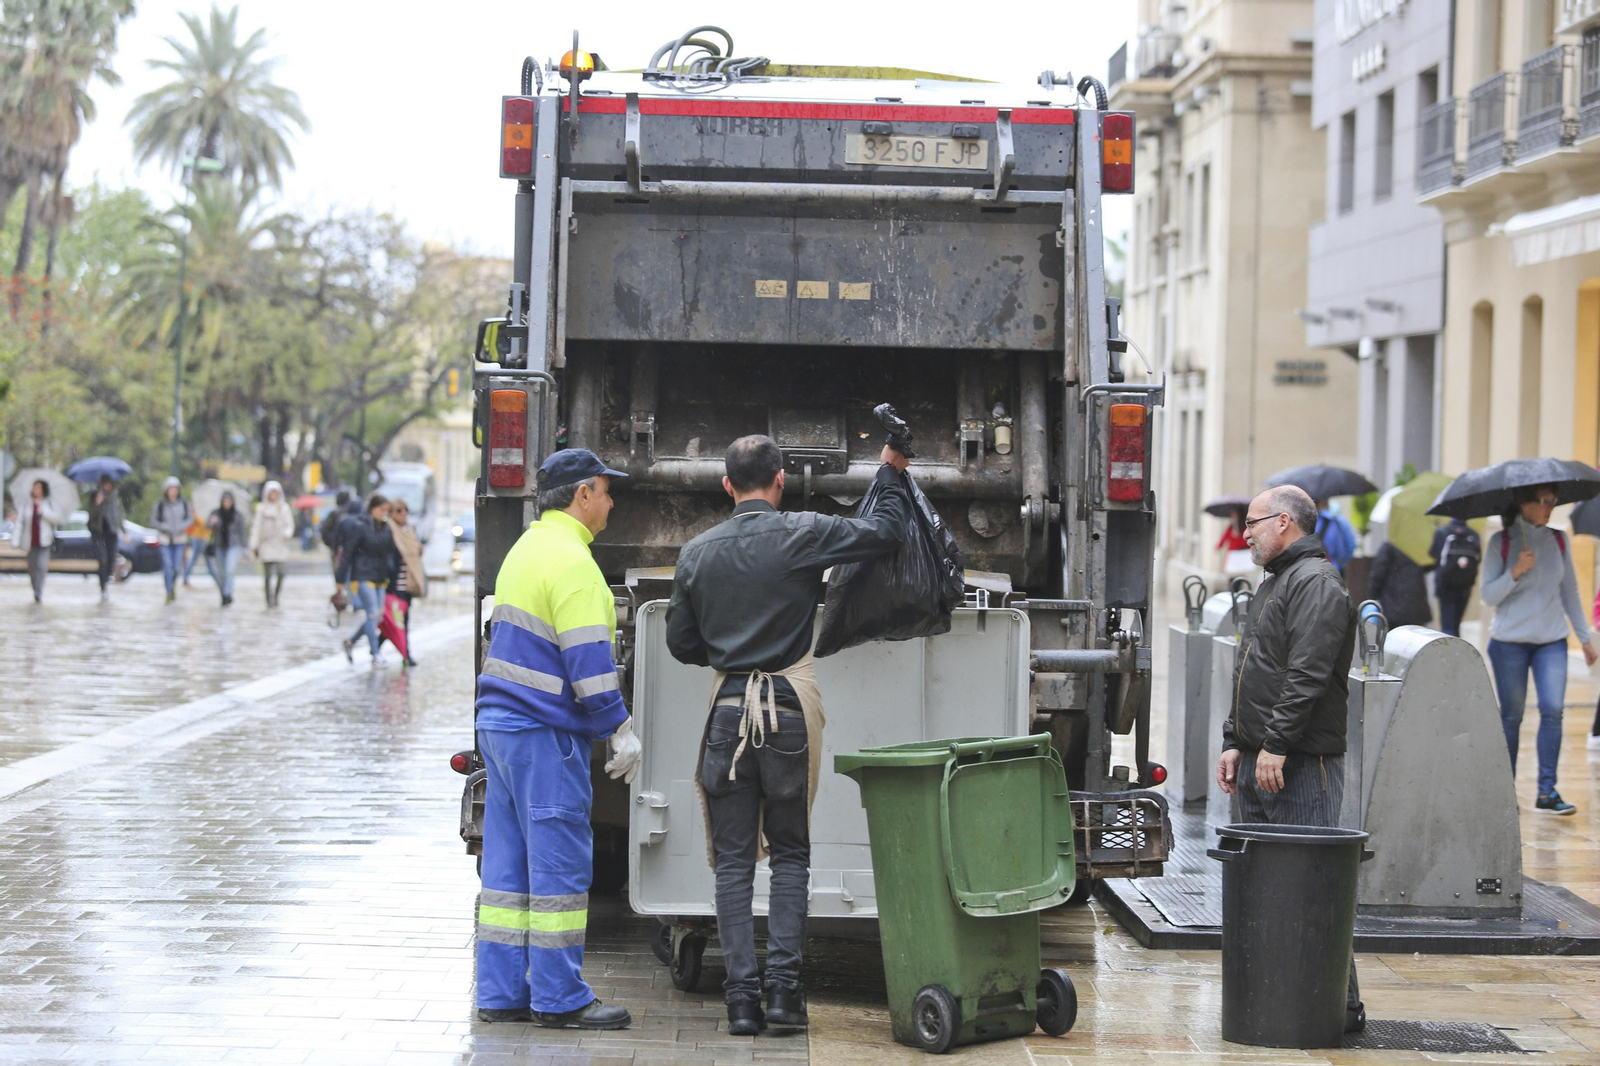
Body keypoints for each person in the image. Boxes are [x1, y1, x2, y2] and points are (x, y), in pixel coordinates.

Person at [665, 435, 912, 1036]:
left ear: (727, 486)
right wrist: (891, 473)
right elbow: (883, 532)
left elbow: (680, 644)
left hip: (728, 716)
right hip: (789, 713)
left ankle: (741, 1003)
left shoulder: (697, 553)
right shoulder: (802, 532)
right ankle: (783, 999)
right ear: (780, 480)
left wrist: (729, 650)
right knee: (792, 855)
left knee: (731, 866)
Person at [472, 449, 639, 1030]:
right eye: (606, 490)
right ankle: (559, 999)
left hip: (499, 727)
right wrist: (621, 729)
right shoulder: (574, 563)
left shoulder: (527, 549)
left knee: (507, 871)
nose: (611, 501)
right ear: (583, 494)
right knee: (558, 873)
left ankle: (498, 992)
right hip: (543, 734)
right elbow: (590, 666)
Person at [1216, 484, 1364, 1033]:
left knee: (1312, 889)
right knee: (1260, 888)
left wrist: (1275, 744)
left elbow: (1308, 675)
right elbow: (1250, 670)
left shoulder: (1317, 585)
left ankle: (1337, 1007)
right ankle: (1270, 998)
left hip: (1300, 764)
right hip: (1261, 759)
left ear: (1284, 523)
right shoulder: (1277, 581)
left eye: (1252, 522)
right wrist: (1236, 740)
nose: (1245, 532)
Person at [1480, 484, 1597, 815]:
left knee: (1552, 710)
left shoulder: (1558, 540)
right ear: (1523, 503)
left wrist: (1584, 638)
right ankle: (1506, 792)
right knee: (1512, 717)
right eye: (1544, 502)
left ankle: (1547, 792)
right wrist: (1515, 572)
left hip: (1552, 641)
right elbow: (1488, 596)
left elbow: (1570, 591)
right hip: (1509, 643)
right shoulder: (1501, 542)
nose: (1549, 508)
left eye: (1553, 502)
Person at [337, 494, 395, 664]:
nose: (385, 513)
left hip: (380, 577)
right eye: (382, 510)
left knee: (378, 617)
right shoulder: (360, 526)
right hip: (362, 575)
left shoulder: (386, 528)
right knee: (372, 614)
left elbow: (390, 552)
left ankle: (350, 642)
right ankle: (375, 653)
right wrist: (340, 578)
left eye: (387, 510)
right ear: (373, 509)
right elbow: (348, 552)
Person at [380, 497, 427, 666]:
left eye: (405, 510)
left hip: (408, 583)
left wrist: (418, 550)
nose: (403, 514)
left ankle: (376, 649)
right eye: (399, 511)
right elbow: (391, 554)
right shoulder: (389, 530)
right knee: (397, 621)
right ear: (392, 514)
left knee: (397, 621)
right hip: (394, 584)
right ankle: (406, 655)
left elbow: (413, 552)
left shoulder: (410, 530)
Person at [12, 479, 68, 603]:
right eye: (34, 487)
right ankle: (35, 587)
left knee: (41, 566)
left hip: (45, 541)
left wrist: (44, 513)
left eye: (38, 487)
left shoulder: (49, 503)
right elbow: (20, 523)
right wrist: (15, 540)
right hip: (30, 540)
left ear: (43, 489)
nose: (35, 490)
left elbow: (58, 519)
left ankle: (39, 591)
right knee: (32, 567)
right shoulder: (26, 504)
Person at [1429, 516, 1481, 637]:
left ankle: (1447, 654)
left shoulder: (1442, 532)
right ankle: (1457, 652)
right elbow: (1478, 559)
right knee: (1457, 625)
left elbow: (1434, 555)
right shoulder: (1474, 535)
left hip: (1445, 585)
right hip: (1465, 585)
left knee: (1447, 626)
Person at [1365, 539, 1431, 629]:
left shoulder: (1389, 545)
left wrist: (1372, 596)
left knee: (1394, 638)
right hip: (1416, 602)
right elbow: (1430, 565)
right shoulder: (1417, 546)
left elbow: (1378, 573)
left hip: (1393, 603)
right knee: (1416, 638)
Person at [251, 481, 295, 607]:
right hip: (266, 544)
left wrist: (287, 533)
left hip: (280, 544)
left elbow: (289, 525)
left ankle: (276, 595)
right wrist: (254, 543)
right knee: (268, 575)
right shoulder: (261, 508)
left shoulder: (284, 508)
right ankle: (268, 599)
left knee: (281, 573)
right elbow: (256, 527)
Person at [149, 477, 192, 604]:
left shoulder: (184, 503)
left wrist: (182, 526)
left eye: (175, 489)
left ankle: (172, 585)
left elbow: (190, 519)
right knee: (167, 566)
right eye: (170, 489)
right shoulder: (160, 505)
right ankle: (168, 591)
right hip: (165, 539)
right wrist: (164, 526)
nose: (173, 491)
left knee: (177, 568)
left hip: (179, 539)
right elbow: (153, 520)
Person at [207, 493, 249, 606]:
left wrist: (245, 548)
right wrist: (212, 523)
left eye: (229, 501)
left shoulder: (237, 515)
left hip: (233, 546)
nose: (227, 503)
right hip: (219, 546)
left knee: (229, 571)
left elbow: (242, 532)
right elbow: (207, 527)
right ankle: (223, 594)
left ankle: (227, 594)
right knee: (221, 574)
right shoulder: (215, 513)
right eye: (225, 501)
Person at [86, 474, 123, 602]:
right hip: (98, 532)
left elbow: (120, 515)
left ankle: (106, 578)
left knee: (112, 559)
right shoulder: (95, 496)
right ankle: (103, 586)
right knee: (103, 559)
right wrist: (97, 503)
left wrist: (124, 531)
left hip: (112, 533)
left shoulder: (115, 497)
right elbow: (91, 514)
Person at [1313, 498, 1356, 573]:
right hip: (1331, 569)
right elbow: (1343, 550)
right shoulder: (1335, 521)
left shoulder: (1303, 522)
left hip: (1308, 571)